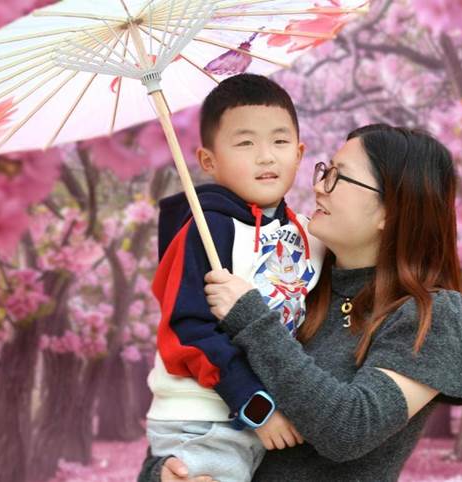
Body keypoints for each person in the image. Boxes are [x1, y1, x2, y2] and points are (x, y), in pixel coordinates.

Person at [139, 124, 462, 482]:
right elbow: (205, 413)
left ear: (391, 210)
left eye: (339, 177)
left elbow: (351, 429)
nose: (319, 186)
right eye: (325, 171)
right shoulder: (299, 284)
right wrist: (164, 474)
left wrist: (251, 317)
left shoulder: (433, 314)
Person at [143, 74, 325, 482]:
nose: (266, 157)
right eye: (245, 143)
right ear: (208, 161)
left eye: (280, 141)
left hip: (260, 413)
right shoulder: (208, 229)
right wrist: (255, 405)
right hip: (204, 417)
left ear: (299, 153)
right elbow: (188, 328)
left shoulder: (306, 231)